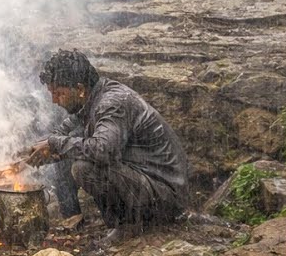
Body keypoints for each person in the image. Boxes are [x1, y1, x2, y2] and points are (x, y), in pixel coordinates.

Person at [25, 49, 188, 245]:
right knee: (64, 151)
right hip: (147, 183)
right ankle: (80, 219)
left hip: (165, 195)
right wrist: (29, 156)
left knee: (83, 168)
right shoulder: (90, 101)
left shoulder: (111, 103)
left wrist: (54, 144)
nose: (54, 100)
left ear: (79, 88)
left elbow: (104, 150)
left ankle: (128, 226)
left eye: (59, 93)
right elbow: (60, 135)